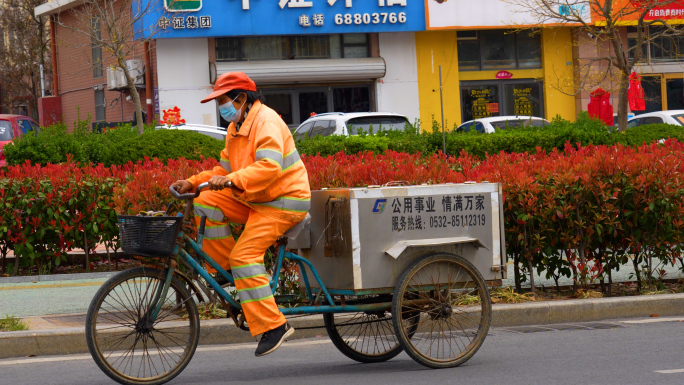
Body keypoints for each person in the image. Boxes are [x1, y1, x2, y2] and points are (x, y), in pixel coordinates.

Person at [171, 72, 311, 357]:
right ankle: (227, 274)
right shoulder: (237, 127)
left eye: (223, 100)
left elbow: (269, 167)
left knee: (244, 257)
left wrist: (234, 180)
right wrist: (194, 182)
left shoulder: (266, 121)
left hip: (283, 201)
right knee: (207, 200)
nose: (221, 107)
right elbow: (223, 171)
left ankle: (275, 326)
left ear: (241, 98)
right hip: (258, 197)